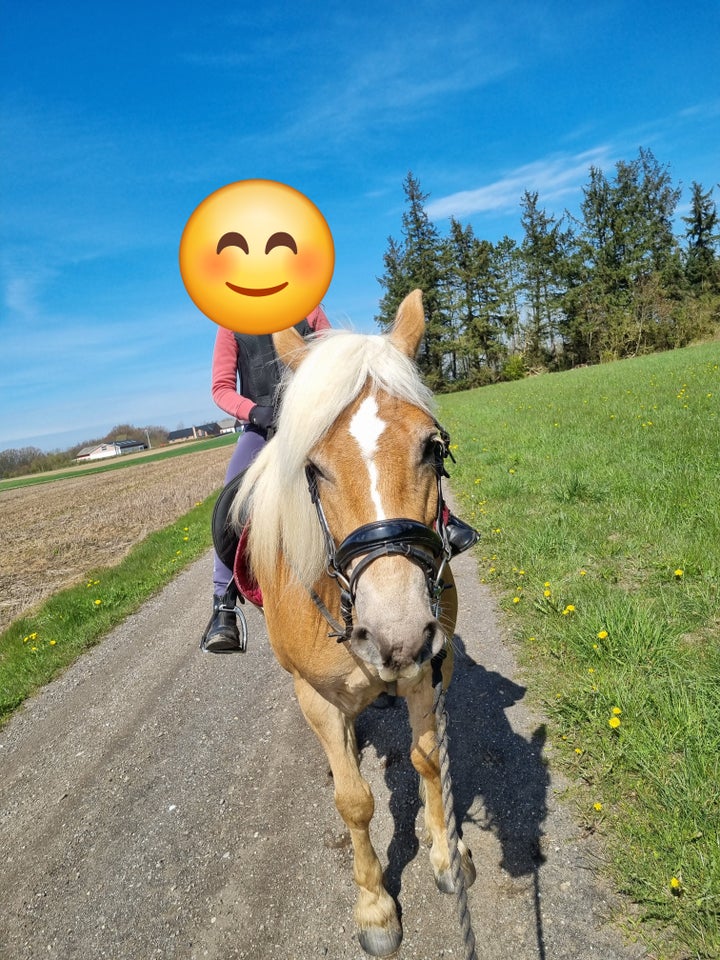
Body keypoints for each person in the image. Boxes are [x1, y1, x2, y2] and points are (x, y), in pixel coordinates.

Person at [201, 305, 331, 652]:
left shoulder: (310, 311)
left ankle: (442, 522)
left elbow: (332, 363)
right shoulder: (231, 321)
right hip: (261, 427)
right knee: (232, 504)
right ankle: (223, 605)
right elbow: (221, 388)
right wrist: (254, 411)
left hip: (312, 420)